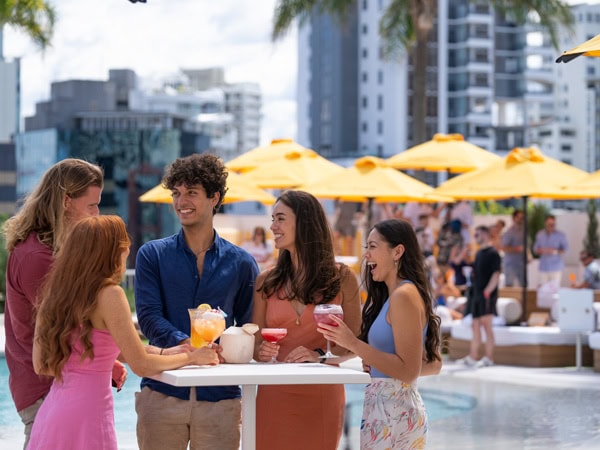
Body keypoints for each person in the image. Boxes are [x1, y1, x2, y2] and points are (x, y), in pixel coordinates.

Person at [27, 216, 220, 450]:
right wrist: (192, 357)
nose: (127, 252)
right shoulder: (110, 295)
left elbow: (41, 365)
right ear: (111, 252)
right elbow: (141, 365)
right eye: (124, 246)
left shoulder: (54, 297)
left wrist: (166, 352)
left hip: (53, 414)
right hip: (87, 417)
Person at [134, 153, 259, 450]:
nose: (181, 202)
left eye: (191, 192)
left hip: (221, 397)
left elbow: (248, 325)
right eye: (176, 193)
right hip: (162, 391)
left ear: (214, 197)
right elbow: (149, 317)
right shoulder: (152, 255)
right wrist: (189, 346)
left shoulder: (242, 263)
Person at [2, 158, 128, 449]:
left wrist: (106, 362)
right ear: (67, 201)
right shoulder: (39, 258)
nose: (97, 215)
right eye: (92, 206)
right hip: (46, 388)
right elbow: (62, 324)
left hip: (55, 385)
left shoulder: (47, 249)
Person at [316, 218, 442, 449]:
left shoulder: (404, 295)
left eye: (372, 247)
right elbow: (432, 363)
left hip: (394, 411)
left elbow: (408, 371)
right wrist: (377, 364)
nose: (366, 255)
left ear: (397, 252)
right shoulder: (394, 296)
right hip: (389, 408)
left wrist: (352, 343)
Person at [252, 190, 362, 450]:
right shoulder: (265, 282)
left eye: (280, 219)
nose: (272, 226)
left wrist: (320, 356)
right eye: (272, 219)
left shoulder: (343, 279)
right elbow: (256, 347)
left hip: (322, 395)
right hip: (274, 395)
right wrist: (262, 350)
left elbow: (355, 344)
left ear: (304, 223)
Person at [459, 225, 501, 368]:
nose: (475, 236)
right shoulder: (479, 254)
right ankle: (473, 357)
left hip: (486, 295)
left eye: (478, 234)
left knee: (486, 326)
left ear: (485, 234)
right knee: (475, 325)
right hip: (476, 294)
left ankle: (489, 358)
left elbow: (496, 274)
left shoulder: (493, 253)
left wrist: (488, 290)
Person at [533, 214, 568, 286]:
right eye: (550, 224)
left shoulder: (560, 235)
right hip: (543, 267)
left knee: (554, 290)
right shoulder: (540, 234)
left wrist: (554, 251)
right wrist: (543, 251)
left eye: (553, 224)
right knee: (543, 289)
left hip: (555, 267)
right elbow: (535, 249)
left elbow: (565, 249)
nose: (551, 226)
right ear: (545, 223)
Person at [501, 209, 527, 287]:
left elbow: (527, 245)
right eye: (520, 218)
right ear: (514, 218)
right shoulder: (509, 232)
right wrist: (517, 249)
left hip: (521, 263)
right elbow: (504, 248)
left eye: (523, 218)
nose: (521, 220)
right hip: (510, 264)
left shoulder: (524, 230)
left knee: (524, 285)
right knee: (509, 285)